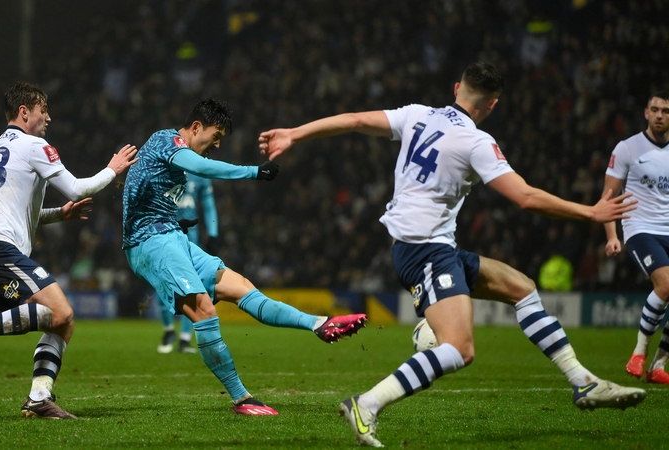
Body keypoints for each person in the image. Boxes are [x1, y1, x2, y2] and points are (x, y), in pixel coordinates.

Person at [259, 62, 647, 446]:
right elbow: (525, 198)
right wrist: (591, 213)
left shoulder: (417, 115)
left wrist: (296, 133)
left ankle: (583, 382)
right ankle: (368, 404)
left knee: (522, 287)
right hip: (425, 251)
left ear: (455, 87)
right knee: (459, 349)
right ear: (493, 104)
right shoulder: (476, 142)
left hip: (430, 248)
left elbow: (357, 119)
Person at [122, 97, 367, 416]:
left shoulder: (172, 151)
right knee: (205, 311)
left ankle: (319, 324)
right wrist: (254, 172)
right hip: (150, 242)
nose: (218, 145)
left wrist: (171, 220)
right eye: (217, 136)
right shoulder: (167, 140)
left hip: (171, 236)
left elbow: (144, 190)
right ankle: (242, 398)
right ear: (197, 127)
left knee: (241, 287)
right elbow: (202, 168)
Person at [0, 81, 138, 419]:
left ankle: (39, 398)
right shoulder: (35, 145)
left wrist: (60, 214)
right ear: (24, 111)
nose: (48, 117)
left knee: (61, 322)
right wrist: (113, 169)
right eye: (43, 110)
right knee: (62, 312)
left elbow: (17, 211)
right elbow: (77, 187)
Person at [603, 90, 669, 384]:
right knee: (666, 284)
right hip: (639, 228)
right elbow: (609, 196)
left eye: (665, 111)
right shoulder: (628, 148)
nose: (659, 115)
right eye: (654, 109)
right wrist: (611, 235)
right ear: (646, 113)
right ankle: (640, 350)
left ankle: (659, 366)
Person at [156, 173, 219, 354]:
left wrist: (213, 233)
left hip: (189, 239)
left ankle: (184, 338)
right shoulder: (162, 168)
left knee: (189, 287)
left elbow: (209, 205)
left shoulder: (200, 173)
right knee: (162, 284)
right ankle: (168, 330)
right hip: (163, 235)